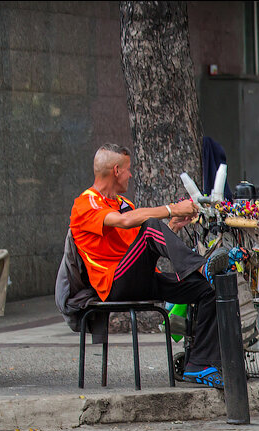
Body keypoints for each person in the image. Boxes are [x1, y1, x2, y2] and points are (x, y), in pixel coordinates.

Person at [69, 143, 226, 388]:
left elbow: (141, 246)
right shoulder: (86, 203)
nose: (131, 175)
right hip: (113, 285)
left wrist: (172, 225)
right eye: (129, 170)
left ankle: (198, 365)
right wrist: (171, 209)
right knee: (152, 226)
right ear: (117, 170)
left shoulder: (122, 202)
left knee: (209, 288)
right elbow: (124, 222)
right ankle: (201, 265)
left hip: (141, 280)